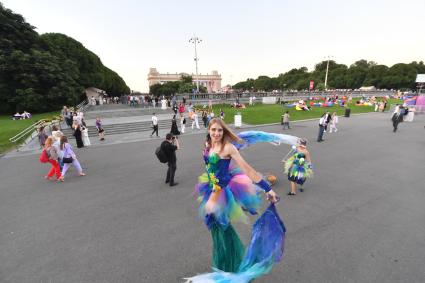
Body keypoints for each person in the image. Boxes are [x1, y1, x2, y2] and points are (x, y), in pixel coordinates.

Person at [195, 118, 279, 275]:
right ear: (209, 130)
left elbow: (248, 170)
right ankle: (225, 264)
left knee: (223, 230)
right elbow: (210, 169)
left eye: (220, 130)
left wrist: (267, 189)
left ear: (224, 131)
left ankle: (230, 266)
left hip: (221, 192)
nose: (217, 133)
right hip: (211, 188)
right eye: (213, 130)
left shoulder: (228, 148)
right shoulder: (208, 145)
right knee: (217, 230)